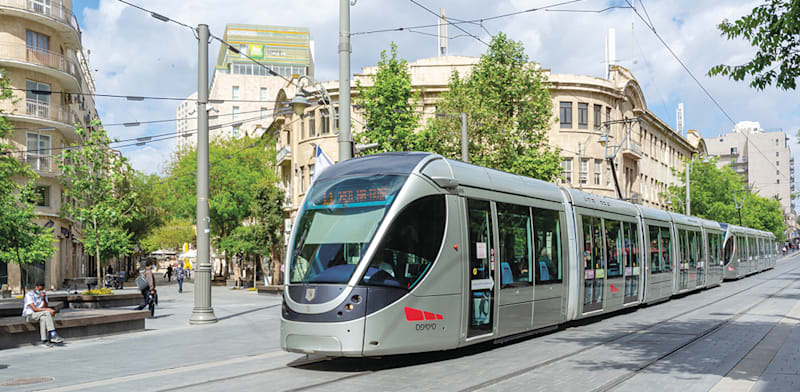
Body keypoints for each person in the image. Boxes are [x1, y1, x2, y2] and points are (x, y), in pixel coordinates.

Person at [22, 282, 64, 347]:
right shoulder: (29, 295)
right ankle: (53, 334)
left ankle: (44, 340)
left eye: (42, 289)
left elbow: (45, 306)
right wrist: (49, 310)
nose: (41, 291)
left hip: (40, 314)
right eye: (39, 289)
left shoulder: (43, 293)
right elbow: (34, 309)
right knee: (47, 312)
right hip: (30, 315)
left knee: (43, 318)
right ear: (36, 287)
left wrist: (44, 298)